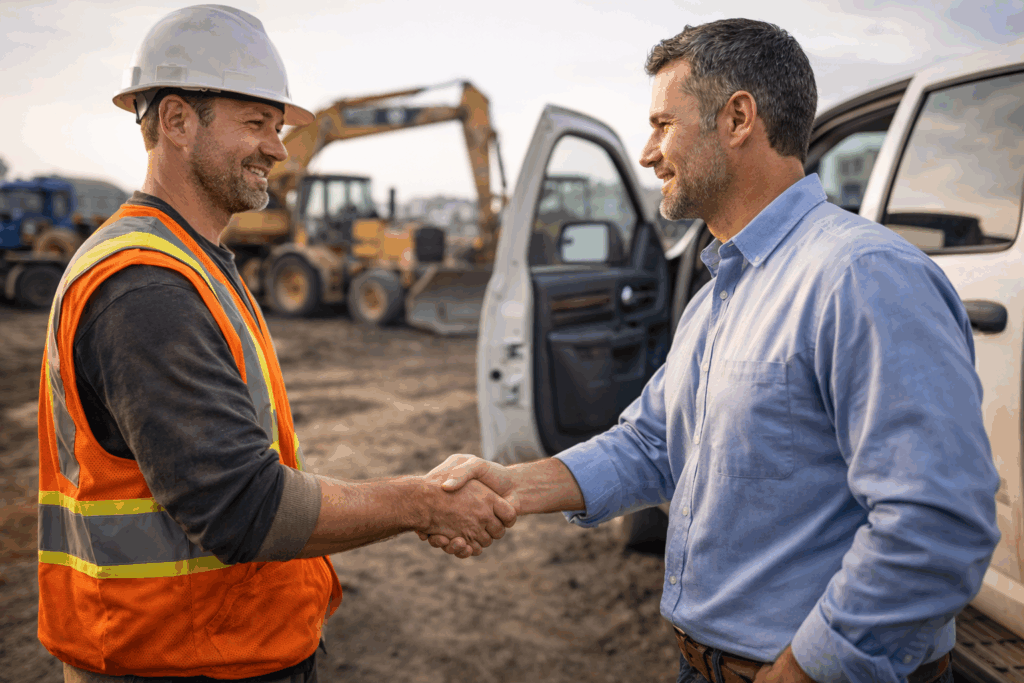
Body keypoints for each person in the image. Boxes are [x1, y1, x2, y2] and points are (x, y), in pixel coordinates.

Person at [422, 18, 1001, 683]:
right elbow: (651, 443)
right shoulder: (721, 291)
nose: (647, 152)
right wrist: (514, 484)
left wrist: (809, 668)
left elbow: (937, 522)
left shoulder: (862, 277)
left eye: (663, 124)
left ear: (737, 118)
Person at [37, 6, 515, 682]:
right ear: (176, 121)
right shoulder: (145, 287)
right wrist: (424, 501)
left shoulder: (191, 262)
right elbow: (243, 507)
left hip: (211, 643)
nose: (279, 148)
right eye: (257, 124)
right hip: (177, 657)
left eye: (279, 127)